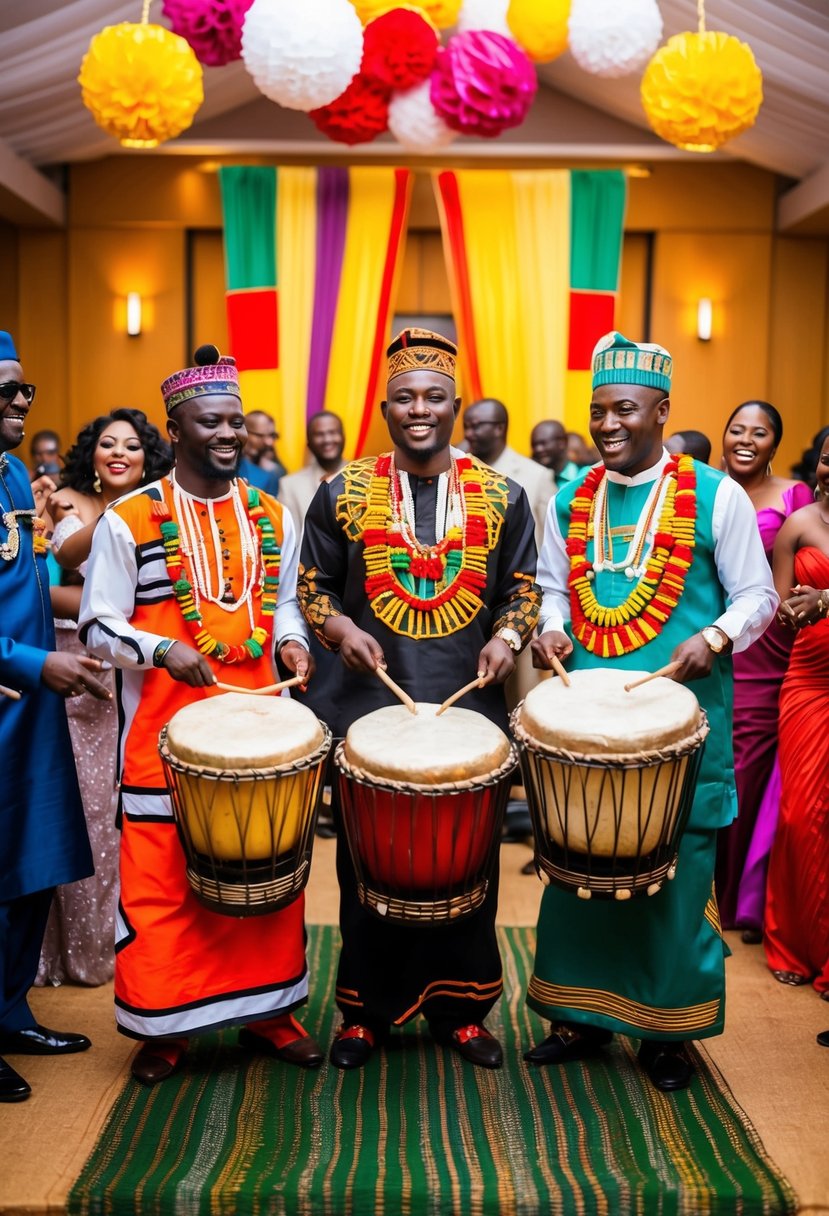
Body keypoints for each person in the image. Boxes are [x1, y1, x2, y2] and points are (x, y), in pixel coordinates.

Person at [527, 332, 777, 1092]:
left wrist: (713, 636)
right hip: (588, 732)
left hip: (683, 725)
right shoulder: (568, 498)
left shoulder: (715, 495)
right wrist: (549, 625)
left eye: (624, 410)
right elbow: (551, 586)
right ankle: (579, 1019)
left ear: (661, 412)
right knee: (580, 875)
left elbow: (757, 598)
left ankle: (667, 1033)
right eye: (598, 410)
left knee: (675, 884)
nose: (606, 424)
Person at [79, 345, 323, 1085]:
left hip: (257, 741)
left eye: (235, 422)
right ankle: (164, 1025)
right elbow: (97, 625)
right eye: (209, 422)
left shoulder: (270, 513)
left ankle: (272, 1014)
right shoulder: (129, 520)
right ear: (175, 428)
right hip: (162, 745)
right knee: (161, 885)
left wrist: (290, 641)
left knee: (267, 881)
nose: (227, 434)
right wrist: (160, 650)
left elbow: (282, 602)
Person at [298, 328, 540, 1071]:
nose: (419, 409)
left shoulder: (504, 496)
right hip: (365, 713)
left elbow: (524, 590)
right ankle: (365, 1014)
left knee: (466, 869)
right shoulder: (341, 492)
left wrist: (508, 634)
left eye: (434, 396)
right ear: (384, 407)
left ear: (456, 406)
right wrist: (336, 626)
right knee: (367, 870)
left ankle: (460, 1012)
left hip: (468, 717)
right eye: (404, 397)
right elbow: (310, 587)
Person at [0, 329, 110, 1103]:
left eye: (25, 388)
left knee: (29, 867)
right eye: (7, 390)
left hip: (33, 710)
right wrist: (39, 663)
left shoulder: (9, 472)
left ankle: (9, 1011)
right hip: (11, 690)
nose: (21, 401)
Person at [34, 410, 172, 987]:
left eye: (132, 446)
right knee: (90, 809)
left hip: (143, 667)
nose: (119, 453)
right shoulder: (69, 502)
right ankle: (84, 952)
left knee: (135, 808)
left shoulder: (165, 508)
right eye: (107, 444)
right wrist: (130, 507)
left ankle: (135, 937)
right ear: (91, 454)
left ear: (149, 457)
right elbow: (65, 574)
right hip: (83, 669)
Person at [715, 402, 812, 939]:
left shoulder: (794, 497)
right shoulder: (707, 491)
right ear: (723, 435)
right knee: (712, 763)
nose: (746, 439)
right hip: (713, 640)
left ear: (776, 444)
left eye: (761, 432)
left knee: (751, 771)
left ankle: (740, 897)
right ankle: (705, 888)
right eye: (737, 429)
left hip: (771, 650)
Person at [764, 431, 829, 998]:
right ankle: (793, 942)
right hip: (808, 678)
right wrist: (793, 608)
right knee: (798, 813)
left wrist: (827, 599)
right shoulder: (799, 523)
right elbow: (781, 608)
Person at [463, 398, 553, 548]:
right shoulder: (459, 470)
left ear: (499, 428)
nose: (468, 434)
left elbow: (551, 538)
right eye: (466, 427)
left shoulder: (538, 475)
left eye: (475, 426)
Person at [278, 411, 347, 535]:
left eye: (332, 432)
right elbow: (291, 540)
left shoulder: (365, 476)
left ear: (343, 437)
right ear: (309, 443)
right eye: (319, 434)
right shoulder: (289, 485)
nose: (327, 439)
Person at [238, 410, 285, 495]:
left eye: (272, 436)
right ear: (244, 432)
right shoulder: (229, 465)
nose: (269, 442)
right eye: (260, 435)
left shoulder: (276, 471)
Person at [531, 419, 586, 486]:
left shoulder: (584, 476)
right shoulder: (531, 478)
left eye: (543, 443)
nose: (538, 449)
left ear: (562, 443)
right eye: (534, 445)